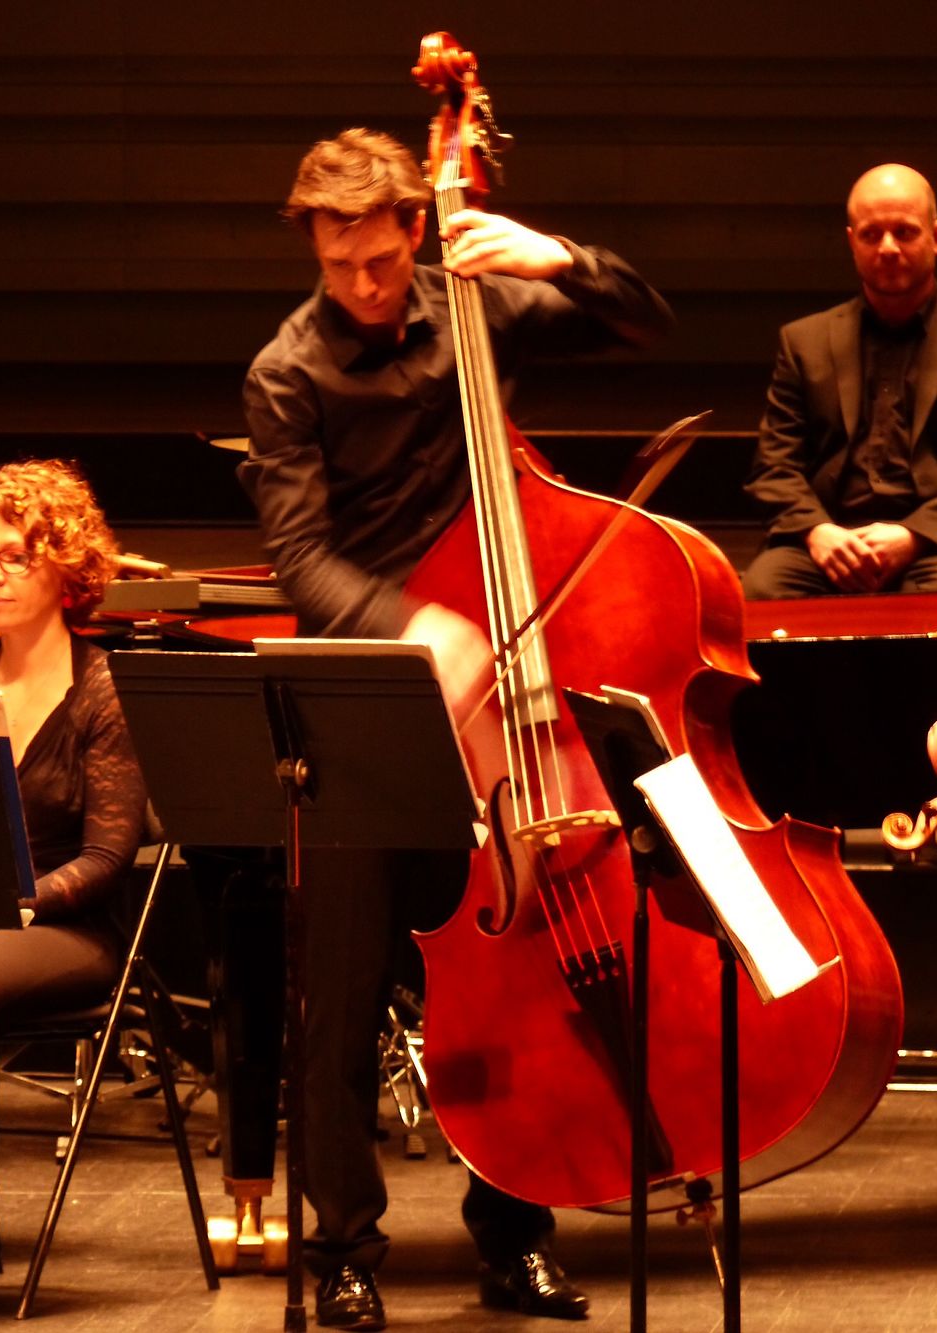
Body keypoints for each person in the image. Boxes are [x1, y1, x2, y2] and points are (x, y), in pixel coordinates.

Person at [237, 127, 674, 1329]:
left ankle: (512, 1234)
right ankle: (345, 1254)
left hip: (496, 702)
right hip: (370, 699)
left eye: (381, 261)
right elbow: (300, 556)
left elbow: (645, 319)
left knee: (509, 977)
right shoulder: (286, 373)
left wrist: (553, 255)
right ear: (317, 249)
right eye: (341, 268)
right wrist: (409, 624)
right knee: (338, 994)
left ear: (412, 232)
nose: (366, 289)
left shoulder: (475, 310)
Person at [0, 459, 146, 1315]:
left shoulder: (104, 689)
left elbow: (106, 858)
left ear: (63, 565)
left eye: (13, 556)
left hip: (67, 928)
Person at [742, 162, 937, 599]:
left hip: (936, 544)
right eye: (872, 234)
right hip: (829, 540)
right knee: (761, 590)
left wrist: (914, 536)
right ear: (852, 243)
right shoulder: (804, 341)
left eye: (905, 231)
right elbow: (774, 468)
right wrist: (817, 532)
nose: (888, 248)